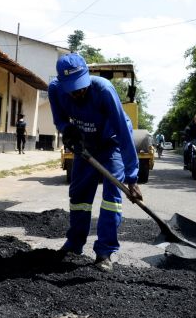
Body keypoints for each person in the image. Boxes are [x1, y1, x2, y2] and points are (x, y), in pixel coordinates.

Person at [48, 53, 143, 272]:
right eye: (72, 88)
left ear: (87, 76)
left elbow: (123, 132)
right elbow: (60, 120)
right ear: (62, 83)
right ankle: (75, 243)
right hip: (86, 145)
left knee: (111, 197)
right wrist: (67, 130)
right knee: (79, 195)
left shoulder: (103, 90)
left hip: (112, 142)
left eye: (81, 85)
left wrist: (132, 177)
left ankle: (104, 251)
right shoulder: (55, 90)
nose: (78, 91)